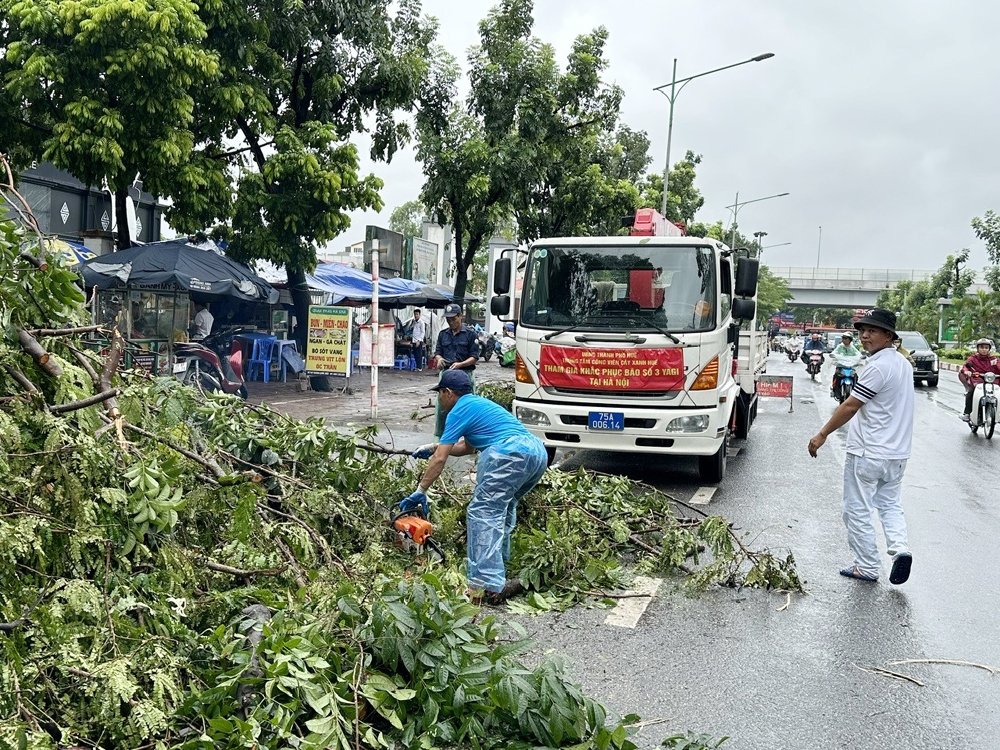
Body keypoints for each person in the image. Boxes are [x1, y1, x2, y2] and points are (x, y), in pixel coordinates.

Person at [400, 370, 548, 604]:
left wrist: (420, 490)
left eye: (440, 393)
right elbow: (467, 447)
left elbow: (440, 459)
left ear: (448, 392)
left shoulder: (457, 410)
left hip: (509, 453)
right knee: (504, 508)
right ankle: (500, 566)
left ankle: (484, 585)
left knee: (483, 513)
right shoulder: (478, 405)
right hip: (537, 453)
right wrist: (434, 445)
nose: (440, 399)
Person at [807, 308, 914, 585]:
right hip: (897, 454)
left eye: (873, 331)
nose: (865, 336)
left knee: (857, 509)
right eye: (862, 331)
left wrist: (822, 434)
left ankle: (866, 566)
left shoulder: (878, 366)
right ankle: (900, 549)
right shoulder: (903, 363)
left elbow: (852, 404)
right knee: (889, 504)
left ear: (889, 335)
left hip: (868, 451)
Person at [431, 303, 479, 438]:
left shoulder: (471, 334)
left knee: (468, 407)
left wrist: (460, 364)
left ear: (460, 317)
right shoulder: (443, 335)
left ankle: (470, 439)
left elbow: (474, 357)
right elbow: (438, 352)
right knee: (442, 407)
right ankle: (440, 437)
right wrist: (439, 359)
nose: (451, 322)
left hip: (465, 374)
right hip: (447, 375)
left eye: (453, 319)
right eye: (448, 319)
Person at [958, 338, 1000, 421]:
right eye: (982, 347)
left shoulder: (993, 359)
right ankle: (967, 413)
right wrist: (967, 371)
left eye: (986, 348)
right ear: (978, 348)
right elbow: (965, 367)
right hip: (977, 380)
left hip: (992, 381)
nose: (984, 350)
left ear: (989, 349)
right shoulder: (972, 359)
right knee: (971, 393)